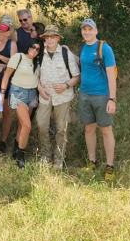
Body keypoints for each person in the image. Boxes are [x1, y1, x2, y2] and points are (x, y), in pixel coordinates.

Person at [35, 25, 80, 169]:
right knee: (42, 125)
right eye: (47, 37)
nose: (50, 39)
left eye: (53, 37)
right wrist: (40, 88)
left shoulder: (66, 54)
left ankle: (59, 158)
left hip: (63, 97)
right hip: (45, 97)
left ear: (58, 38)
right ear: (44, 39)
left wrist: (66, 85)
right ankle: (45, 155)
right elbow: (35, 76)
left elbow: (76, 77)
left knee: (61, 128)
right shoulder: (40, 54)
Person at [78, 18, 118, 179]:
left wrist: (112, 99)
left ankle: (110, 166)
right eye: (84, 29)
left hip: (102, 95)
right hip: (84, 94)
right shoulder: (83, 47)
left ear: (96, 31)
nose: (87, 32)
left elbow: (111, 75)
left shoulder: (104, 48)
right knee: (89, 128)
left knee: (106, 130)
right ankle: (92, 161)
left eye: (90, 29)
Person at [0, 39, 41, 168]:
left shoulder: (37, 62)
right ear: (27, 47)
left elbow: (37, 80)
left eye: (37, 49)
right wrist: (2, 93)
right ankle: (21, 156)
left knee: (22, 125)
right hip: (18, 93)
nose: (34, 50)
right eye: (32, 47)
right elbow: (6, 76)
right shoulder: (18, 57)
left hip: (32, 94)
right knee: (27, 126)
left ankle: (16, 149)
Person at [0, 15, 18, 152]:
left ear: (9, 31)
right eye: (0, 30)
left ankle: (3, 140)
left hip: (6, 80)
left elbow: (14, 62)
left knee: (6, 112)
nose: (2, 33)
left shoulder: (12, 44)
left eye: (5, 30)